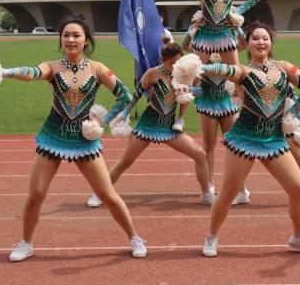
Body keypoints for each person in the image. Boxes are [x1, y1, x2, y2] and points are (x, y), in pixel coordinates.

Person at [0, 15, 147, 262]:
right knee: (36, 194)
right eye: (66, 35)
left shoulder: (98, 68)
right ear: (60, 39)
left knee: (107, 194)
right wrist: (4, 71)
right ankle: (26, 242)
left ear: (86, 40)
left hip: (84, 140)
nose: (70, 39)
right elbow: (33, 72)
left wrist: (103, 119)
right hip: (52, 137)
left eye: (76, 35)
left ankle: (134, 237)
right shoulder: (53, 67)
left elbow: (125, 95)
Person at [186, 22, 300, 257]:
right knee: (228, 193)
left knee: (298, 189)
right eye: (255, 38)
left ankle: (298, 237)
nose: (261, 42)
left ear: (271, 43)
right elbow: (226, 71)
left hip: (274, 140)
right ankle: (212, 236)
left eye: (265, 38)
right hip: (244, 140)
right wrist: (198, 69)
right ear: (247, 44)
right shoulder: (243, 71)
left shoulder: (284, 67)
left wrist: (293, 111)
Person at [166, 0, 260, 204]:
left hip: (226, 35)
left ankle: (248, 106)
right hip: (206, 35)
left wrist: (236, 16)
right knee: (193, 71)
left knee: (239, 75)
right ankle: (182, 118)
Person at [86, 38, 215, 208]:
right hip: (147, 126)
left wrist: (189, 89)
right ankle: (100, 193)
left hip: (169, 128)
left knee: (199, 154)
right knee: (125, 162)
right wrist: (124, 114)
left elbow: (198, 92)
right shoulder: (153, 73)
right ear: (163, 60)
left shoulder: (185, 73)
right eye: (172, 63)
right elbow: (136, 96)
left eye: (178, 62)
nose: (175, 66)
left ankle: (206, 194)